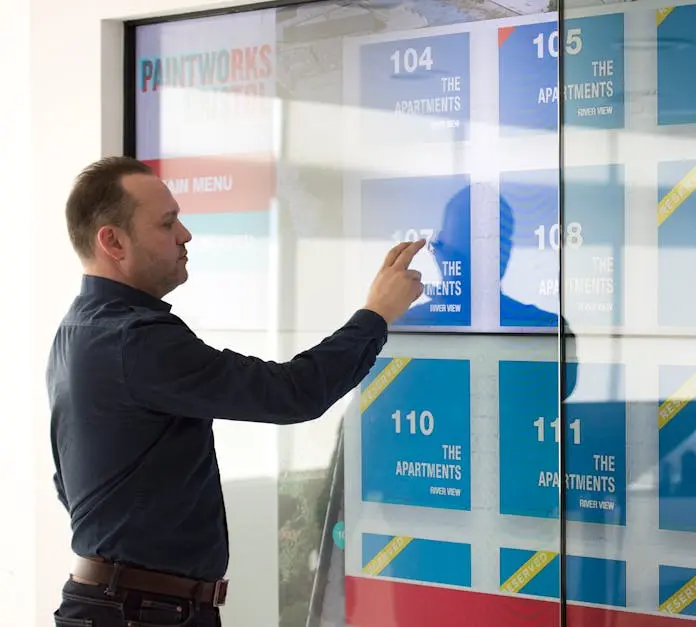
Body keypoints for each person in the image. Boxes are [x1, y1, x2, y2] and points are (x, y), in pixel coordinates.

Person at [46, 156, 425, 627]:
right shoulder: (136, 340)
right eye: (167, 224)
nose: (185, 235)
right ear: (112, 241)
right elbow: (292, 394)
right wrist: (376, 314)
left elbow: (72, 483)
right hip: (141, 612)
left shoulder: (77, 330)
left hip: (120, 603)